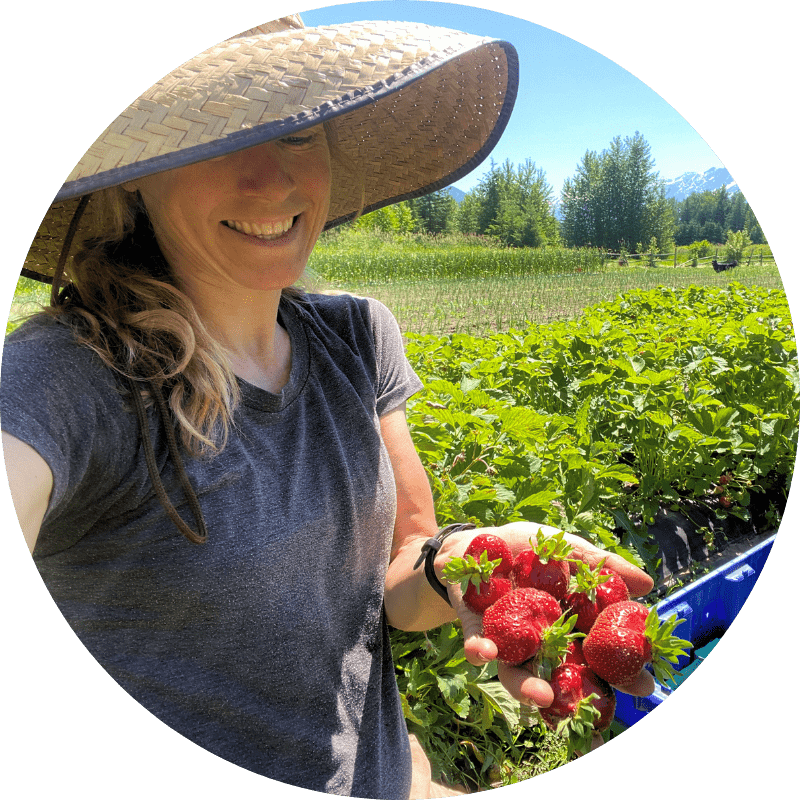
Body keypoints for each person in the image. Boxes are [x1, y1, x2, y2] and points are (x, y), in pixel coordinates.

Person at [1, 14, 655, 800]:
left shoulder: (356, 336)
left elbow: (397, 575)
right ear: (139, 170)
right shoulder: (71, 377)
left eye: (299, 131)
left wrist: (460, 565)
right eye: (218, 137)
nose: (272, 180)